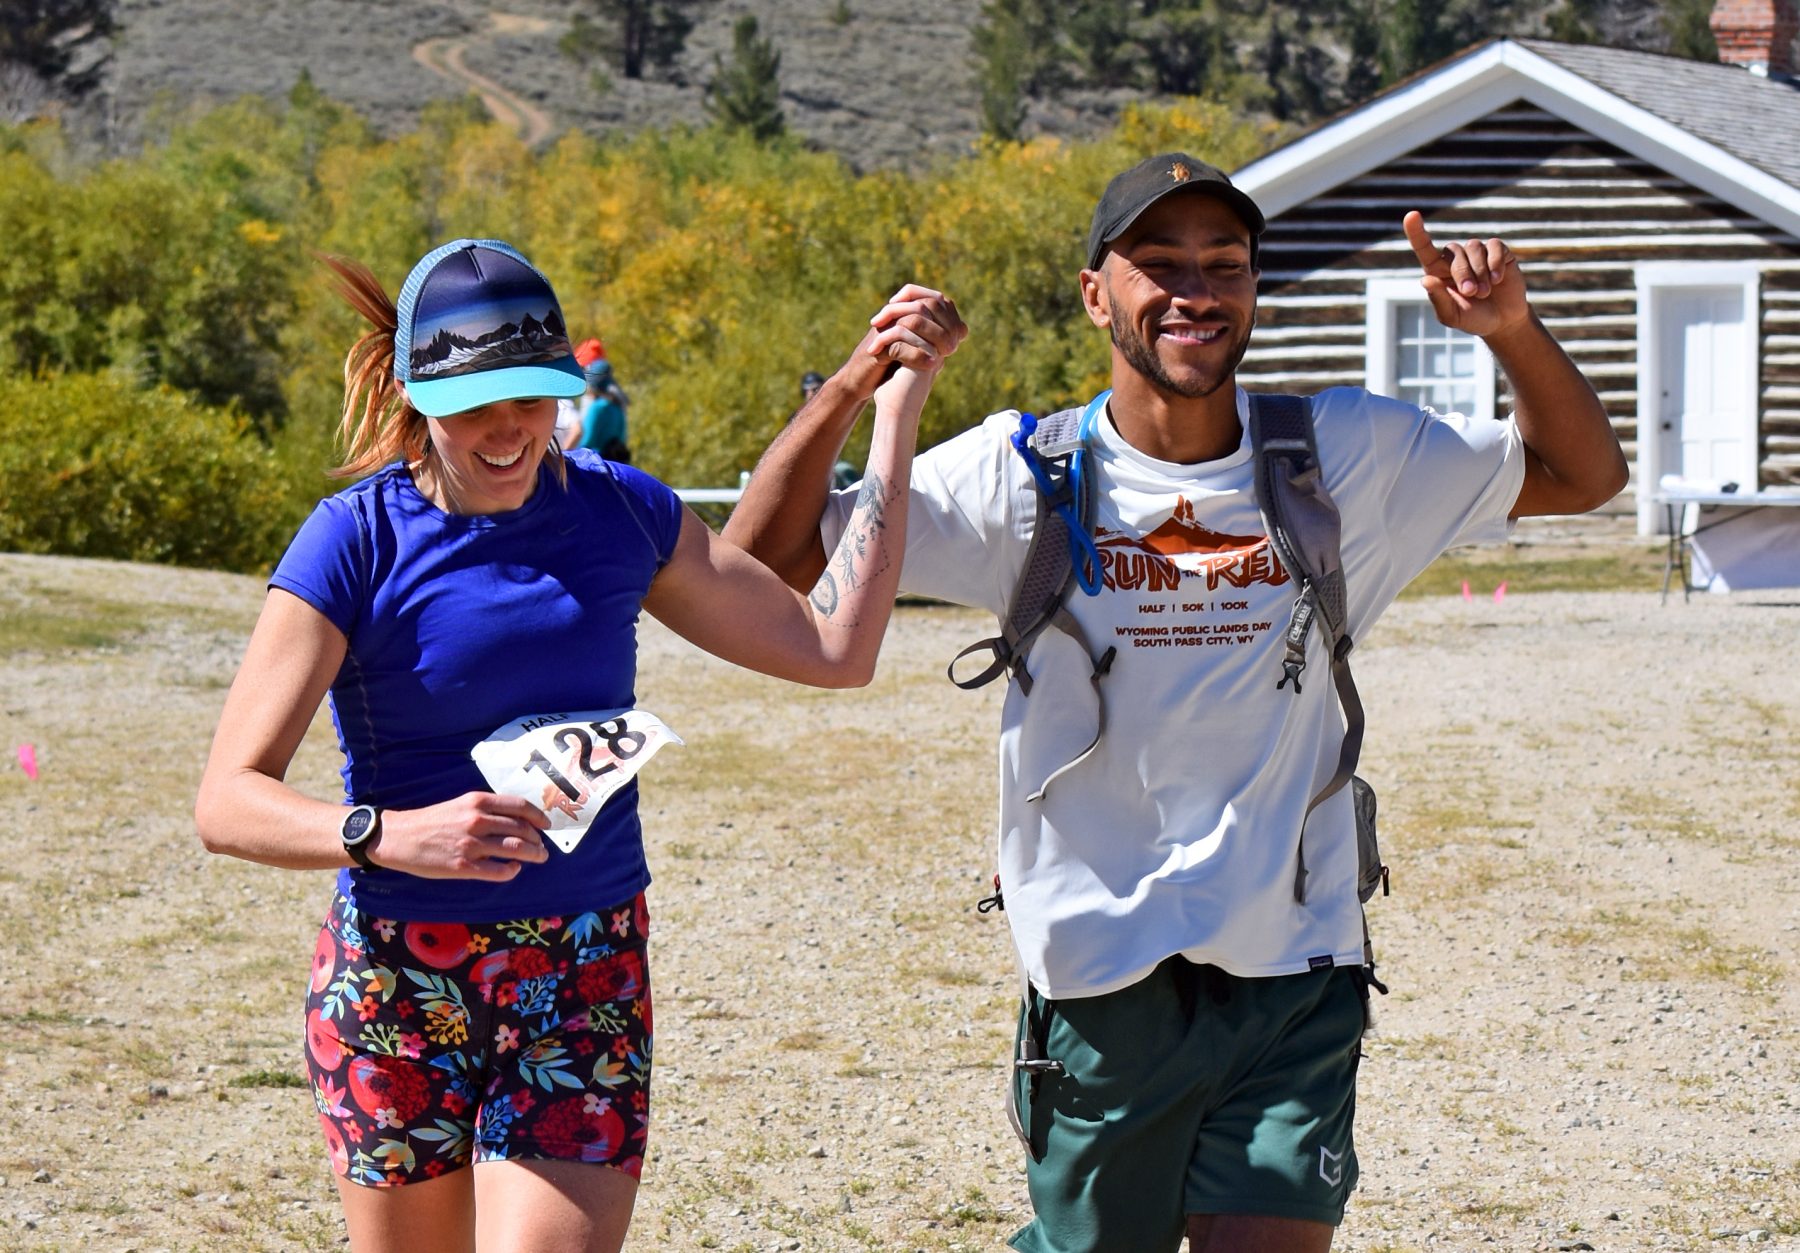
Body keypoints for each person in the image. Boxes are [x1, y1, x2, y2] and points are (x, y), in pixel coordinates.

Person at [722, 154, 1627, 1252]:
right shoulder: (1023, 473)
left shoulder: (1343, 452)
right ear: (1097, 295)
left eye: (1225, 266)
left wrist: (1511, 330)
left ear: (1254, 291)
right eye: (1158, 265)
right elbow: (760, 561)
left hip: (1296, 962)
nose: (1195, 290)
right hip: (1104, 972)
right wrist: (857, 381)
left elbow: (1580, 476)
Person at [193, 237, 949, 1253]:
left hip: (585, 965)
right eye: (474, 402)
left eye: (534, 397)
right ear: (416, 393)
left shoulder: (617, 509)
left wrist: (886, 404)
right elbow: (227, 800)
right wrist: (389, 833)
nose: (509, 429)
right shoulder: (352, 539)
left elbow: (833, 647)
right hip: (398, 976)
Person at [566, 352, 631, 463]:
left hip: (595, 465)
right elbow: (623, 438)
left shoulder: (597, 408)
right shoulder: (618, 407)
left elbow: (586, 442)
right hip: (615, 465)